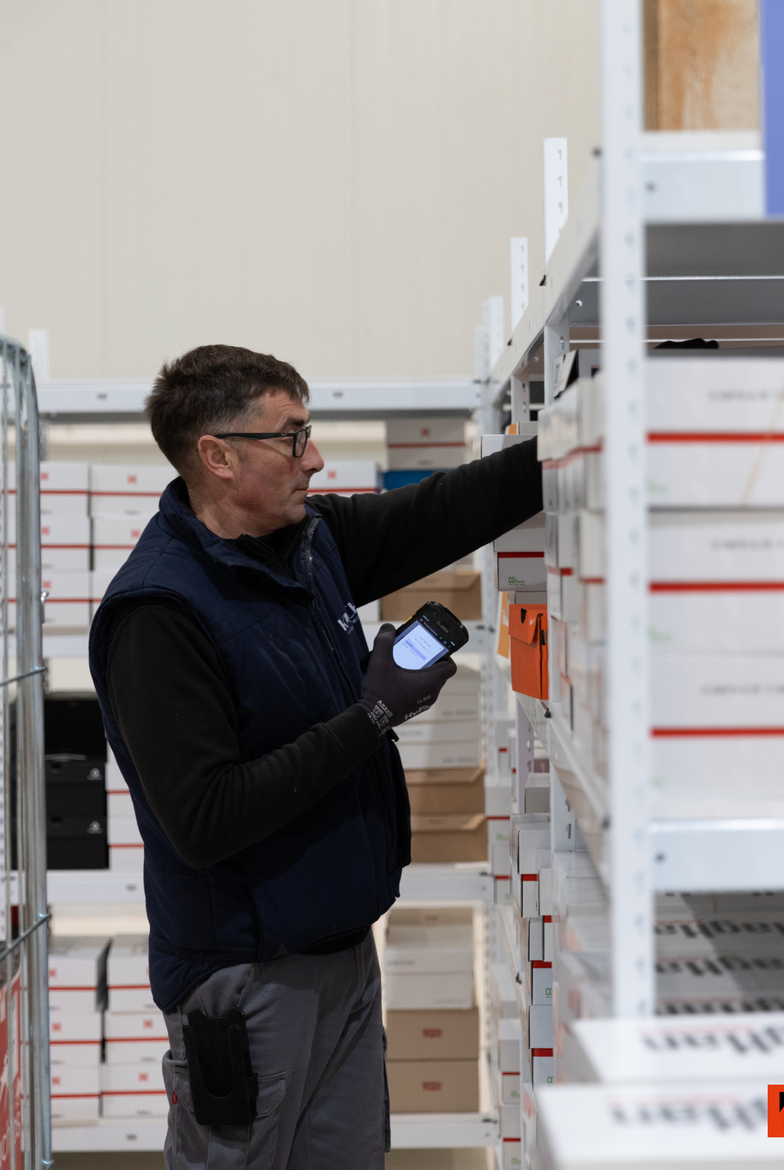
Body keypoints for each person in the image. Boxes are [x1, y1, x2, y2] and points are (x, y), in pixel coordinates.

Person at [89, 344, 543, 1169]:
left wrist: (581, 430)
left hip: (340, 956)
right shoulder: (158, 613)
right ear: (217, 457)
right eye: (292, 438)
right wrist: (371, 715)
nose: (315, 457)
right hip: (245, 981)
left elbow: (446, 510)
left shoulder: (308, 544)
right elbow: (205, 817)